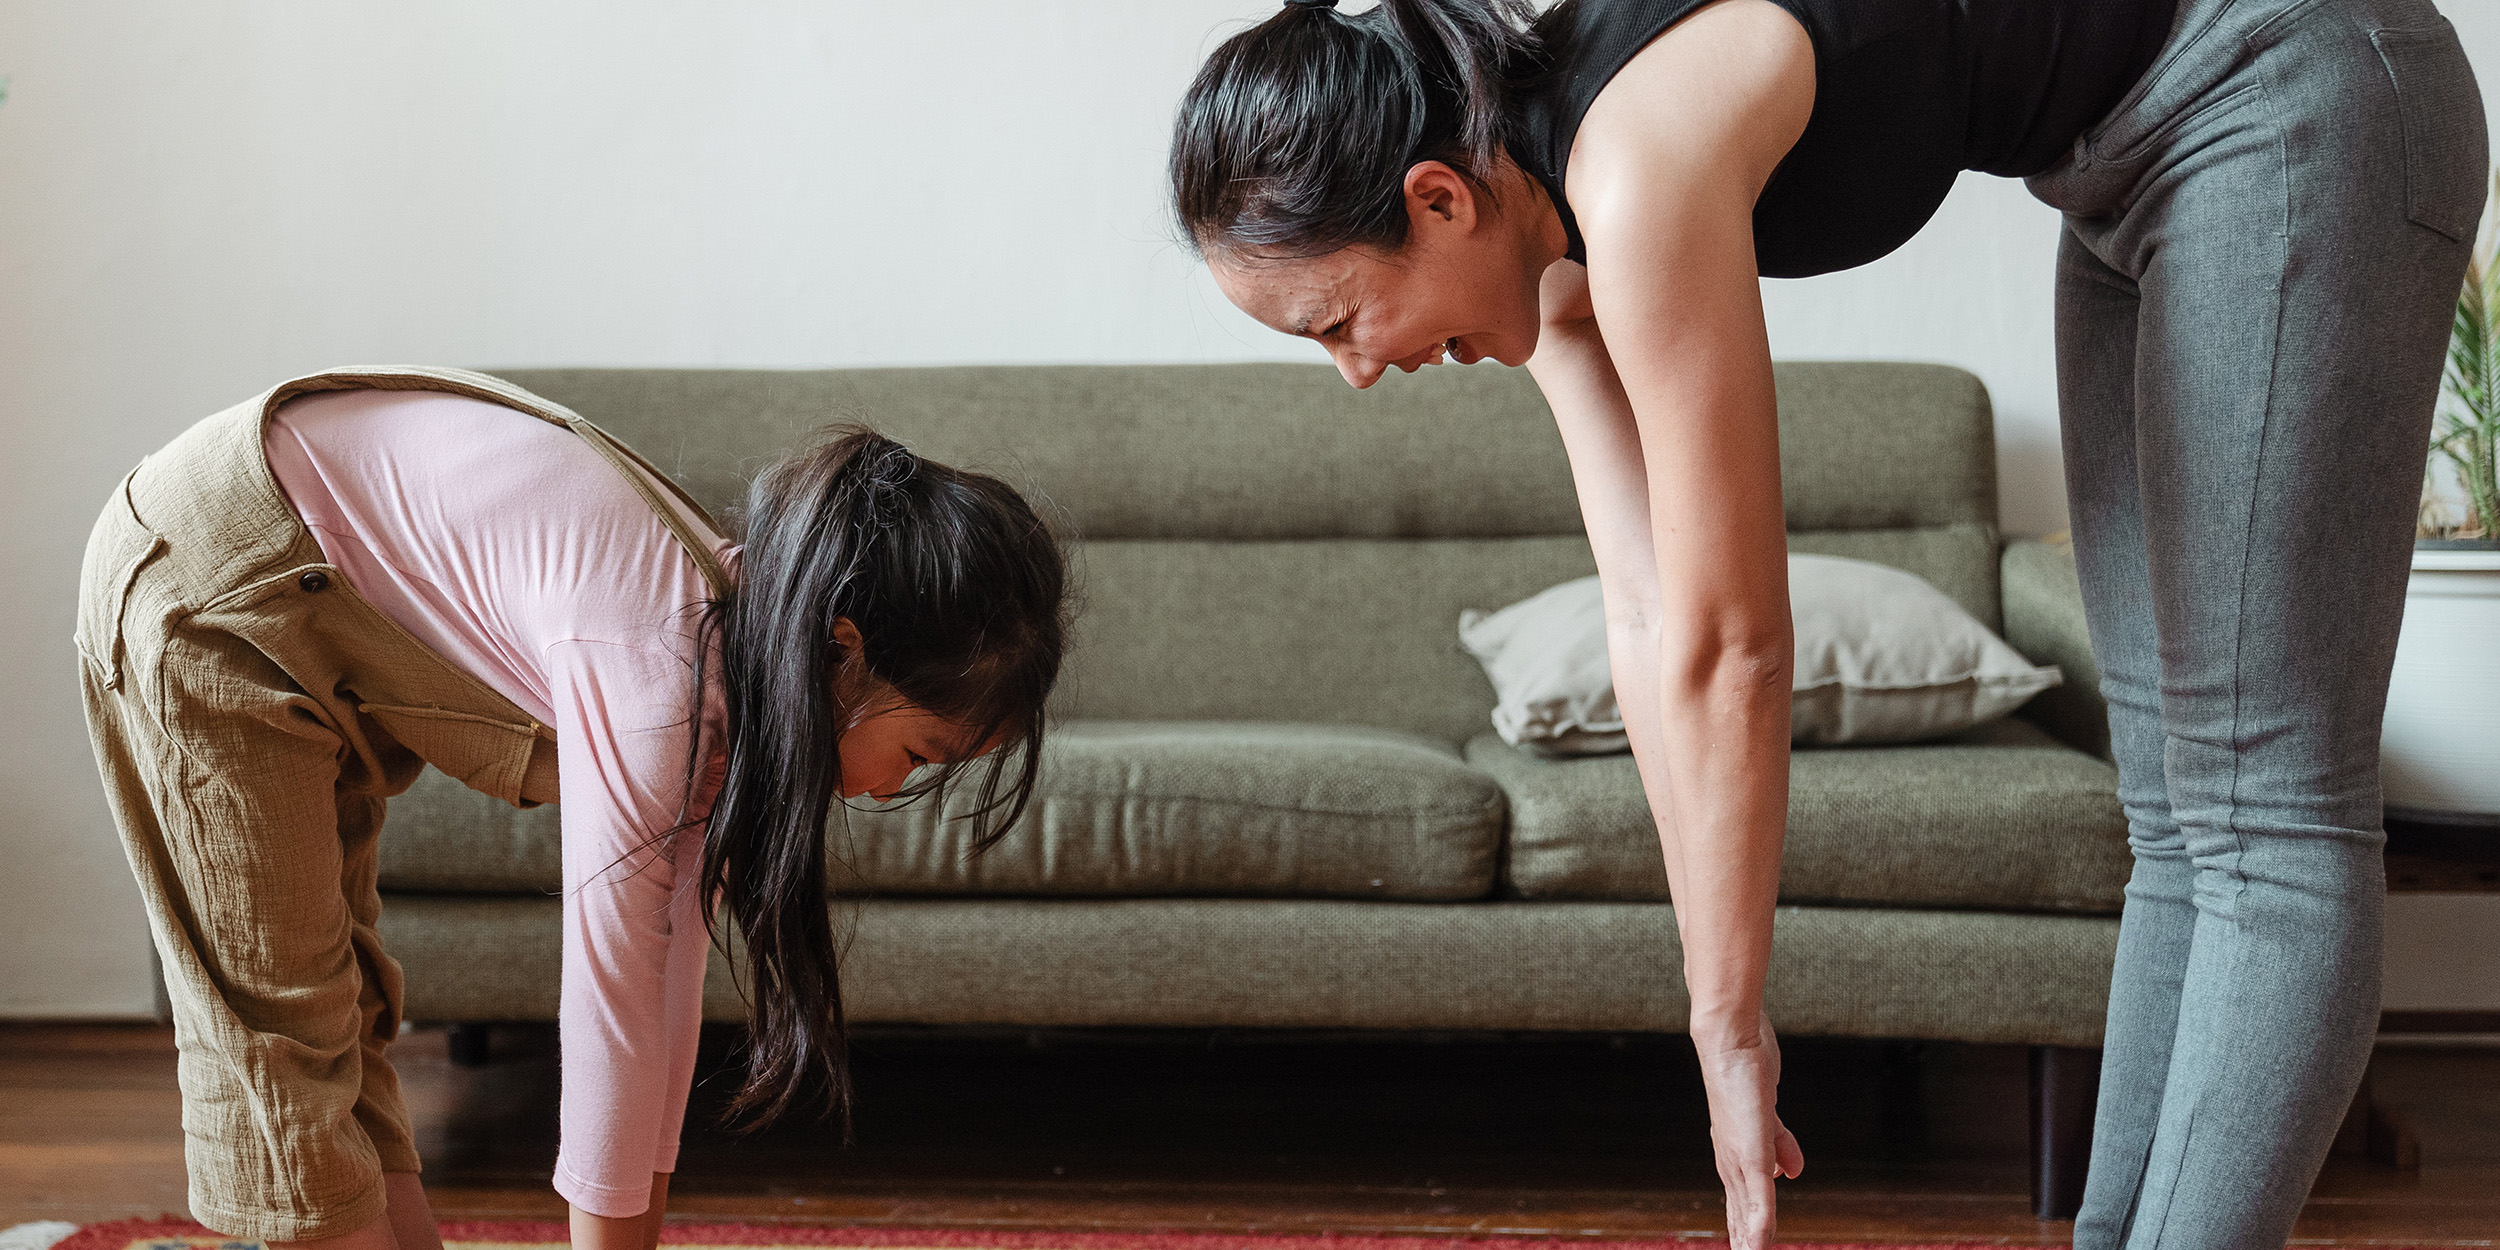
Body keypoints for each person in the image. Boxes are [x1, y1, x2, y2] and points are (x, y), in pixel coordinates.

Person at [1169, 0, 2485, 1244]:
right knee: (2180, 818)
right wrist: (1707, 1004)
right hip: (2119, 170)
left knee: (2264, 812)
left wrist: (1737, 1022)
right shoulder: (1551, 235)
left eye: (1337, 321)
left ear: (1438, 199)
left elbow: (1735, 645)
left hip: (2286, 85)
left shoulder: (1632, 165)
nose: (1355, 371)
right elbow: (1651, 619)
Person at [76, 367, 1067, 1250]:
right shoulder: (660, 674)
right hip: (207, 578)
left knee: (344, 1004)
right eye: (919, 752)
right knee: (282, 1027)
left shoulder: (739, 656)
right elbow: (613, 1004)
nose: (893, 788)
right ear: (844, 647)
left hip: (300, 585)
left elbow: (666, 982)